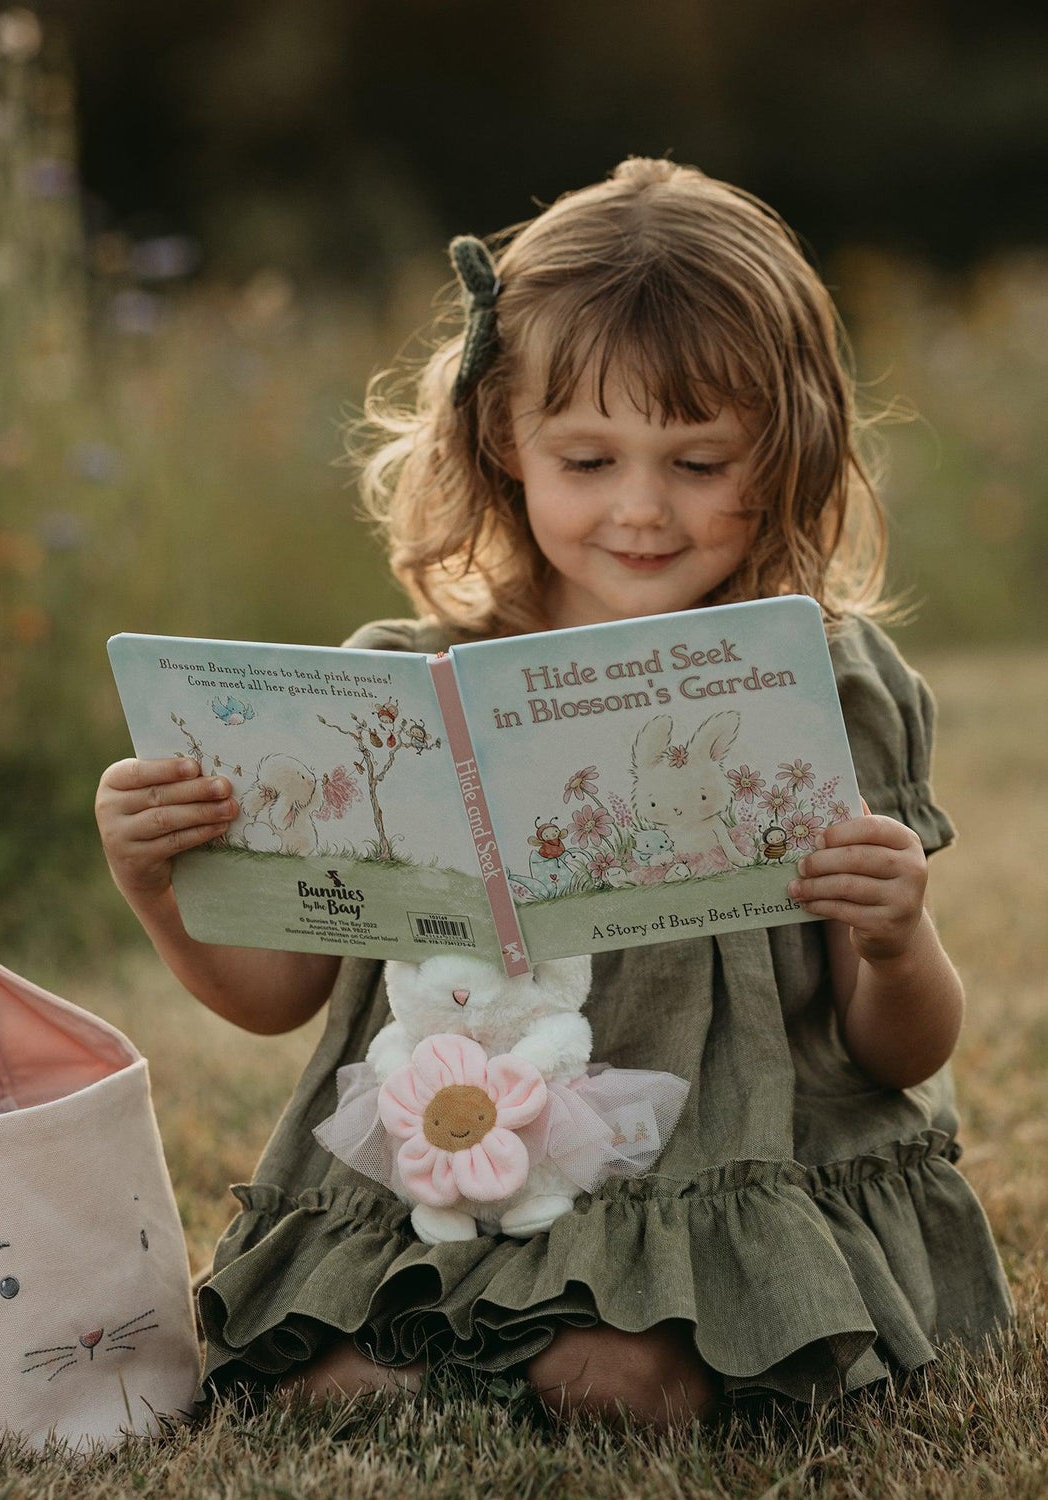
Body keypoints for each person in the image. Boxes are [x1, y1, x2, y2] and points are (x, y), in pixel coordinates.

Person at [94, 157, 1012, 1427]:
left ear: (787, 451)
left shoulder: (824, 681)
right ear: (504, 445)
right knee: (312, 1381)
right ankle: (462, 1345)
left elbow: (897, 1048)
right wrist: (156, 883)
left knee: (621, 1376)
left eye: (699, 462)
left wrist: (896, 933)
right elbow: (280, 998)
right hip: (446, 1174)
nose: (641, 508)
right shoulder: (398, 687)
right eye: (588, 458)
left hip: (715, 1174)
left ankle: (580, 1357)